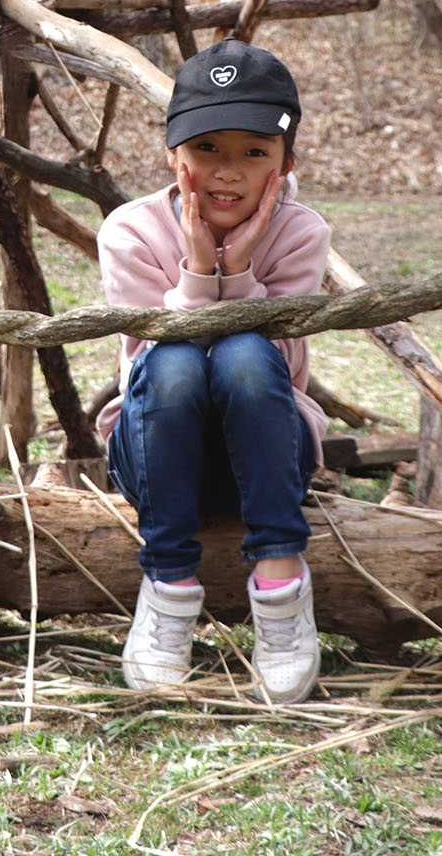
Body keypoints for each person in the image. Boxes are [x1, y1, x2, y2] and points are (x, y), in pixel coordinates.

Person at [96, 39, 332, 704]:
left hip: (263, 460)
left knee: (244, 353)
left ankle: (281, 583)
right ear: (174, 156)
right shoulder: (131, 231)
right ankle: (169, 588)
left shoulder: (301, 233)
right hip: (156, 458)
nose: (229, 173)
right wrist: (201, 269)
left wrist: (241, 270)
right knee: (174, 358)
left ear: (286, 163)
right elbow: (150, 357)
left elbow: (275, 367)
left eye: (254, 153)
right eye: (208, 150)